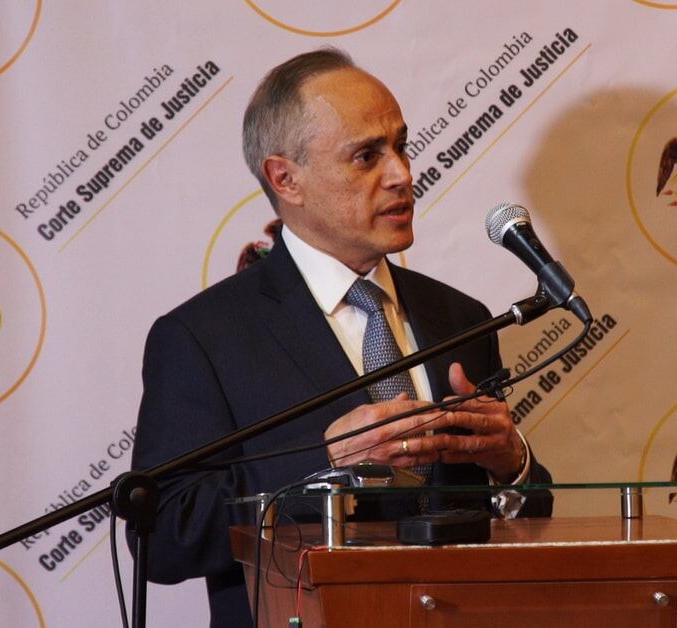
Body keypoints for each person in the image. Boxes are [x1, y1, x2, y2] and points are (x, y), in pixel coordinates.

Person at [129, 48, 552, 627]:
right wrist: (326, 463)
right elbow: (166, 536)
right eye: (367, 156)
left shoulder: (463, 318)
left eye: (401, 146)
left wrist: (513, 464)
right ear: (286, 179)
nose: (403, 173)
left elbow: (523, 517)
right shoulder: (203, 337)